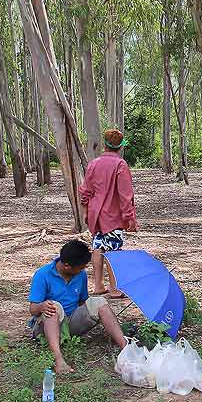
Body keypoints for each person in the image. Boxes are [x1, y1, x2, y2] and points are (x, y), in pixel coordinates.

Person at [29, 240, 129, 374]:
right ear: (67, 266)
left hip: (71, 323)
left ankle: (125, 348)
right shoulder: (42, 275)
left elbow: (83, 302)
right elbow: (33, 309)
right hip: (47, 326)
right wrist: (42, 306)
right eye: (80, 267)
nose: (83, 270)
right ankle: (59, 360)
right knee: (54, 307)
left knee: (99, 301)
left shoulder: (80, 275)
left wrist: (97, 314)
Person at [78, 128, 138, 299]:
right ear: (120, 147)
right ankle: (115, 288)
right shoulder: (120, 165)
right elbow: (125, 195)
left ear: (105, 145)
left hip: (95, 214)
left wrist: (85, 212)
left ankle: (98, 285)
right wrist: (130, 218)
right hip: (113, 215)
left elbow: (85, 191)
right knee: (114, 250)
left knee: (98, 247)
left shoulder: (93, 164)